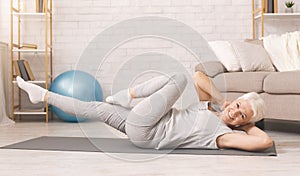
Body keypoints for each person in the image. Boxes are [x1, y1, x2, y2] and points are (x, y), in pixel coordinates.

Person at [16, 71, 273, 151]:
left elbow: (265, 140)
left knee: (178, 79)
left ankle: (127, 96)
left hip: (148, 131)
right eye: (239, 106)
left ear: (243, 124)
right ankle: (43, 95)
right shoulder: (213, 107)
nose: (235, 113)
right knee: (95, 108)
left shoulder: (222, 134)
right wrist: (225, 101)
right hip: (141, 127)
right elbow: (200, 77)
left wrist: (247, 124)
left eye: (242, 115)